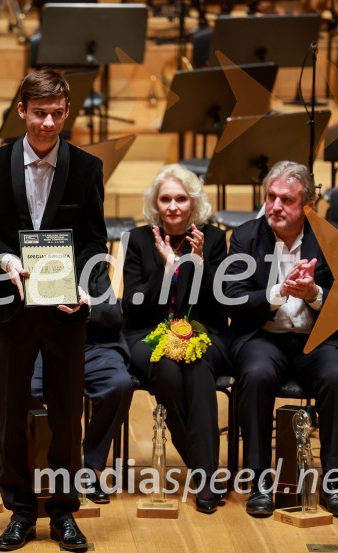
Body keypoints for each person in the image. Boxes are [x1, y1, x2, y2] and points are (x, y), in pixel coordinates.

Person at [0, 68, 107, 552]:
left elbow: (93, 239)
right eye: (39, 113)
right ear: (21, 110)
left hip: (65, 308)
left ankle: (65, 511)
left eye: (57, 114)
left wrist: (87, 283)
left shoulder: (86, 167)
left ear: (67, 113)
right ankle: (20, 510)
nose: (47, 123)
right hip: (12, 308)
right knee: (13, 410)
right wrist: (1, 255)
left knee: (67, 413)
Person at [224, 160, 338, 518]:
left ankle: (332, 481)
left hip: (317, 339)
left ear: (308, 206)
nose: (275, 206)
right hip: (263, 337)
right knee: (254, 374)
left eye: (287, 200)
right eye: (270, 197)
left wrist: (314, 293)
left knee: (337, 375)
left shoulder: (332, 237)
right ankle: (259, 482)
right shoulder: (246, 236)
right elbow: (233, 297)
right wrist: (278, 292)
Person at [122, 164, 229, 514]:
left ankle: (205, 477)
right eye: (165, 199)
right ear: (156, 204)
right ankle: (206, 474)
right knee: (166, 370)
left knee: (198, 371)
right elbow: (133, 307)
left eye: (181, 199)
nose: (173, 206)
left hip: (202, 332)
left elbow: (220, 304)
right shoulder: (139, 240)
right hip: (146, 333)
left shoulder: (212, 239)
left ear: (193, 203)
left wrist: (198, 263)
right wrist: (168, 269)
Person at [31, 262, 132, 505]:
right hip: (39, 347)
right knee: (25, 388)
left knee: (119, 384)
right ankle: (43, 467)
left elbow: (112, 315)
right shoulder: (32, 259)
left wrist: (82, 306)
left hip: (91, 346)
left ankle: (89, 467)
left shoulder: (91, 264)